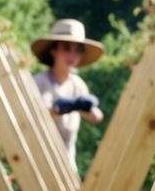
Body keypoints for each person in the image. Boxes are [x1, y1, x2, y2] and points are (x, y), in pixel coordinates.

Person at [31, 18, 104, 169]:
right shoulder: (38, 82)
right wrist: (61, 108)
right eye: (66, 47)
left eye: (78, 49)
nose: (72, 55)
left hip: (67, 165)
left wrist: (84, 107)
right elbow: (30, 117)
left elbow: (95, 116)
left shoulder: (77, 84)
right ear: (53, 50)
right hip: (39, 164)